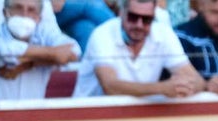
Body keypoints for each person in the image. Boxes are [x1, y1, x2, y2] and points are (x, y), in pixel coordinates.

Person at [72, 0, 206, 98]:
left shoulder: (163, 33)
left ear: (154, 17)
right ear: (121, 13)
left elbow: (194, 79)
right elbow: (110, 86)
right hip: (92, 115)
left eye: (147, 19)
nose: (139, 24)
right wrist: (162, 88)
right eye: (133, 17)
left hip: (137, 115)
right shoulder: (102, 34)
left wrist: (193, 85)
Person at [0, 0, 81, 102]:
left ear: (39, 18)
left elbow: (74, 51)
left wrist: (27, 65)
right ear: (5, 13)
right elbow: (3, 53)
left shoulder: (44, 32)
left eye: (31, 10)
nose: (24, 15)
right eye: (18, 8)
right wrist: (53, 55)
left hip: (28, 119)